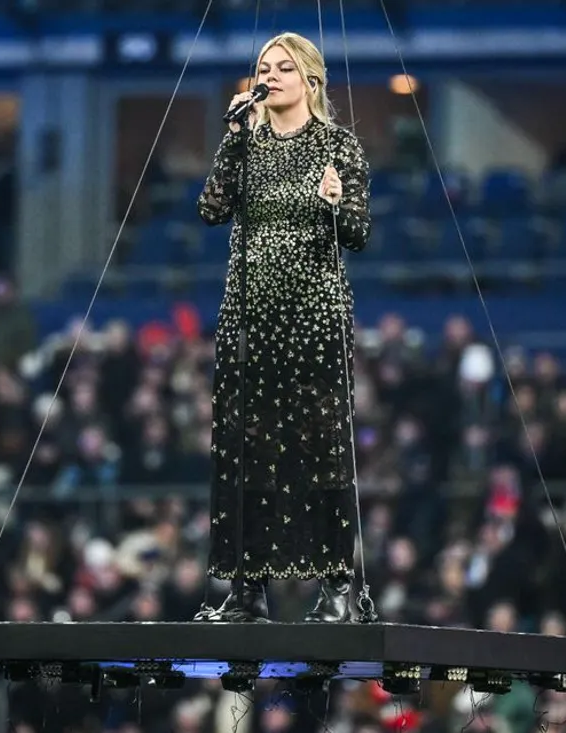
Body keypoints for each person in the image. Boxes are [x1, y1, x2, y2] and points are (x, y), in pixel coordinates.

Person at [193, 32, 371, 623]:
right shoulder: (246, 142)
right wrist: (232, 139)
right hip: (250, 321)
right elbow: (213, 210)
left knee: (321, 448)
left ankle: (338, 589)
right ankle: (248, 589)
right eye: (262, 67)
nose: (268, 76)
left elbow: (358, 234)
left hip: (314, 320)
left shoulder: (336, 146)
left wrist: (336, 200)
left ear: (310, 81)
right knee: (249, 451)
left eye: (282, 68)